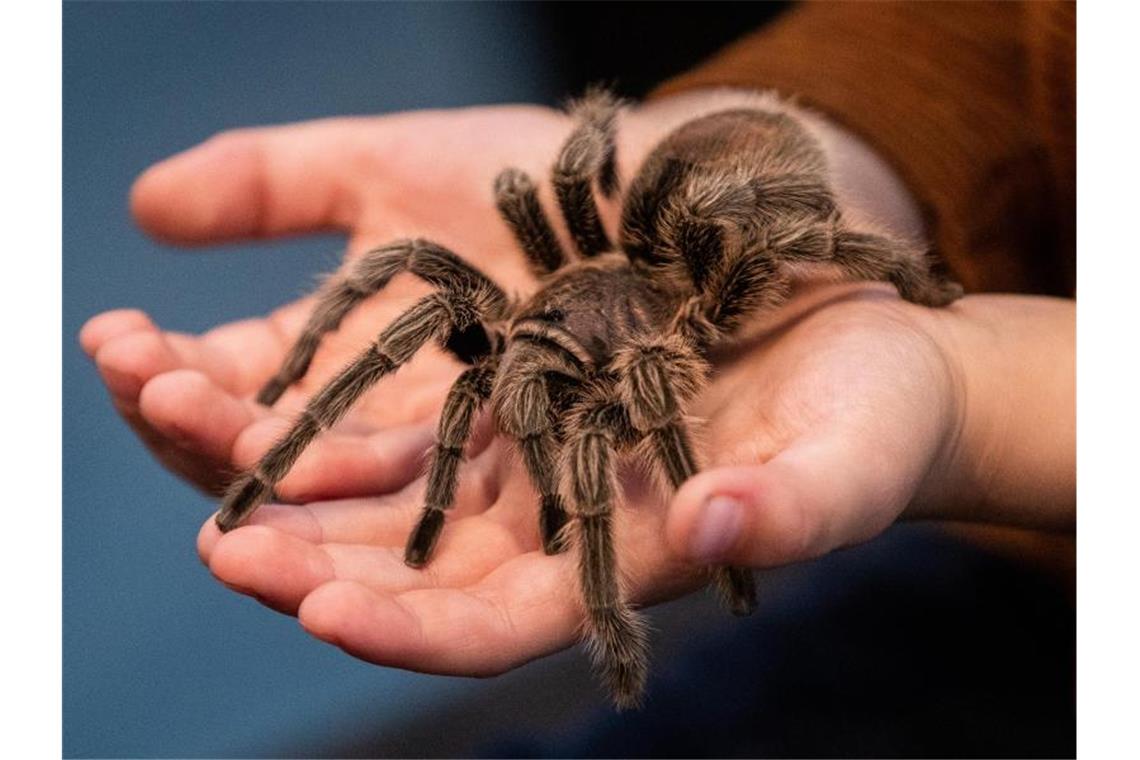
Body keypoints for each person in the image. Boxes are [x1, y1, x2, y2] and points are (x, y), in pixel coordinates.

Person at [80, 1, 1073, 696]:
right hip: (996, 567)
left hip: (1032, 579)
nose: (513, 382)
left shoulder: (676, 330)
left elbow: (776, 246)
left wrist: (973, 377)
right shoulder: (517, 309)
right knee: (419, 273)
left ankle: (619, 645)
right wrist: (666, 132)